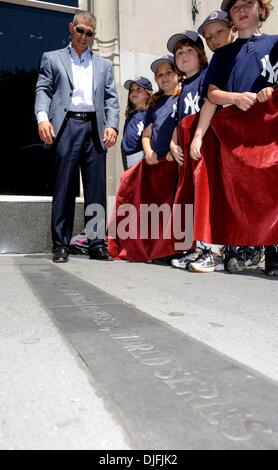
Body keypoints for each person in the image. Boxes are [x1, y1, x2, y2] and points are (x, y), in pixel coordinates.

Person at [35, 10, 120, 263]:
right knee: (64, 187)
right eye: (80, 30)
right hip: (66, 126)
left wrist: (113, 126)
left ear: (94, 36)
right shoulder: (52, 58)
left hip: (94, 127)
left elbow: (111, 100)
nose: (84, 36)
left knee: (96, 189)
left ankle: (96, 244)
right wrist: (42, 118)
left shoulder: (103, 66)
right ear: (71, 28)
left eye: (89, 33)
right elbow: (43, 89)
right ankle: (60, 244)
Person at [204, 0, 278, 275]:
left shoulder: (275, 44)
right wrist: (235, 97)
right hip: (235, 134)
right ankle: (238, 248)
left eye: (249, 3)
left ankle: (274, 250)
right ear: (231, 17)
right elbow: (211, 93)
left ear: (262, 8)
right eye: (236, 7)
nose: (243, 9)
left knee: (273, 191)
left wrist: (271, 91)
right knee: (238, 190)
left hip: (270, 133)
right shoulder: (224, 54)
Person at [173, 11, 237, 273]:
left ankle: (215, 249)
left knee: (212, 195)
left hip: (214, 139)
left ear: (200, 54)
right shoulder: (182, 87)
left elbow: (211, 104)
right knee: (197, 197)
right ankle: (200, 246)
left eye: (189, 50)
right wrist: (173, 144)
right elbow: (178, 121)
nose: (184, 56)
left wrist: (198, 136)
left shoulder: (210, 72)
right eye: (179, 53)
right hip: (194, 144)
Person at [142, 55, 179, 166]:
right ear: (156, 79)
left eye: (169, 72)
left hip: (176, 160)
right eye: (160, 75)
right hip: (157, 162)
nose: (164, 77)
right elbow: (146, 135)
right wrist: (148, 151)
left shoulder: (183, 98)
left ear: (178, 74)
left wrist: (175, 148)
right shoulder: (154, 104)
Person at [122, 77, 153, 170]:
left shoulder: (150, 113)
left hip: (142, 156)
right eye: (132, 90)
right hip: (128, 157)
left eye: (139, 89)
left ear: (147, 94)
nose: (134, 93)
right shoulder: (130, 115)